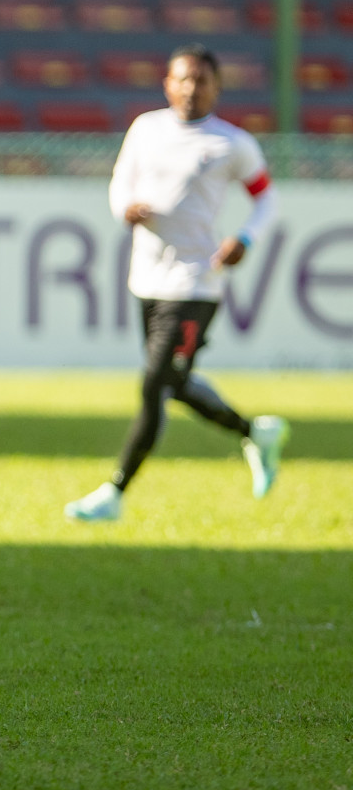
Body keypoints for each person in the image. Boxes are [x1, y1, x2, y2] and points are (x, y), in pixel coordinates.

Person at [66, 43, 289, 523]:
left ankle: (114, 492)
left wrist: (245, 238)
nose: (192, 88)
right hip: (146, 277)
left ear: (217, 88)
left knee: (153, 384)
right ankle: (255, 432)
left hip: (197, 281)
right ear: (168, 84)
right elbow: (120, 184)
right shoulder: (146, 129)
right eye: (183, 79)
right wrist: (123, 209)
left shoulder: (231, 144)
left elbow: (267, 200)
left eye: (202, 80)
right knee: (174, 381)